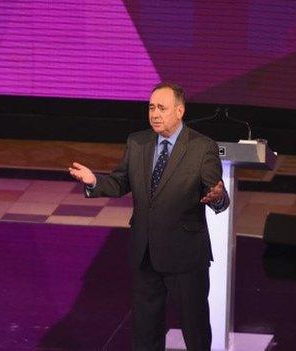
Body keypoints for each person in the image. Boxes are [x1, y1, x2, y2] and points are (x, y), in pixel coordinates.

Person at [69, 82, 229, 351]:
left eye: (162, 108)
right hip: (145, 253)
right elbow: (121, 182)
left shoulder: (203, 147)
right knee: (145, 332)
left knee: (195, 329)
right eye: (151, 107)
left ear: (179, 111)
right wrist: (95, 180)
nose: (155, 114)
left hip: (185, 255)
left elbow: (215, 192)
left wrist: (218, 198)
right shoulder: (138, 142)